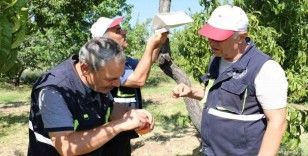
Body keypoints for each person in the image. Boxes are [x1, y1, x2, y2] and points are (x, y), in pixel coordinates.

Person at [172, 5, 288, 156]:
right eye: (210, 36)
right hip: (211, 151)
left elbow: (277, 122)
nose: (211, 42)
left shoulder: (265, 68)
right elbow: (217, 95)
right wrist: (191, 91)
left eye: (218, 38)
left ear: (240, 37)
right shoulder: (216, 59)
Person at [28, 37, 154, 156]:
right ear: (85, 68)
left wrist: (133, 116)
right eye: (111, 79)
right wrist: (120, 125)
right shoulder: (53, 90)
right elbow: (66, 147)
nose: (116, 84)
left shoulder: (97, 78)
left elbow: (111, 109)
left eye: (119, 77)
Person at [90, 17, 167, 154]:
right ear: (104, 40)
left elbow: (149, 62)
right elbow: (138, 80)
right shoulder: (104, 63)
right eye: (118, 30)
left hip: (125, 125)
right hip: (109, 129)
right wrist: (150, 45)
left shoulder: (125, 61)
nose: (124, 32)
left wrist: (159, 42)